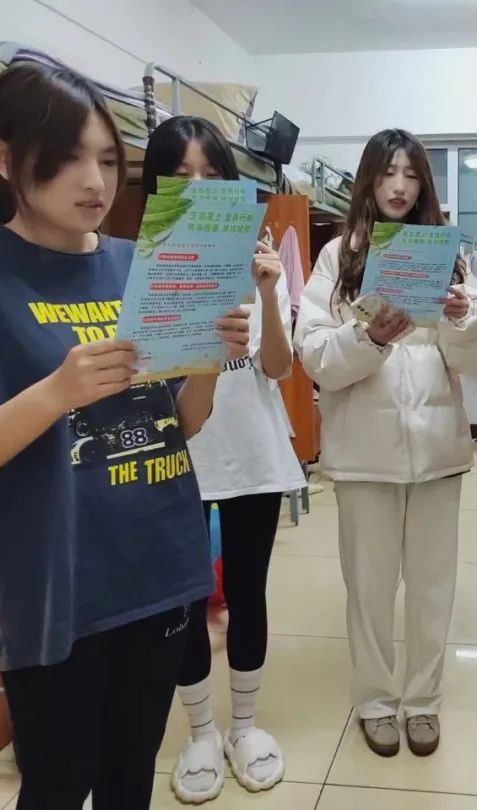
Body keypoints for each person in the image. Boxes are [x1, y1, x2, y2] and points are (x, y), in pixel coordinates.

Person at [0, 64, 257, 810]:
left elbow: (180, 425)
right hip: (49, 587)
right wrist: (56, 392)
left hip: (157, 566)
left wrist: (209, 359)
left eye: (109, 159)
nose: (95, 181)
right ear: (4, 158)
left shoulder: (137, 264)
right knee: (57, 784)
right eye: (67, 158)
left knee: (130, 775)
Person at [294, 128, 477, 758]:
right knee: (370, 589)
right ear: (369, 180)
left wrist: (464, 319)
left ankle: (424, 700)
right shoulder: (337, 258)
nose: (399, 186)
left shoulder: (449, 258)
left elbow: (476, 362)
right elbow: (316, 358)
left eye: (410, 174)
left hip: (437, 452)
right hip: (364, 456)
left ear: (424, 184)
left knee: (433, 589)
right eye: (387, 173)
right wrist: (371, 338)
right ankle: (377, 701)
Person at [141, 117, 303, 802]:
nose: (198, 187)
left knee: (246, 589)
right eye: (180, 175)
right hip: (178, 453)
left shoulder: (257, 260)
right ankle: (201, 732)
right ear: (156, 186)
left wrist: (266, 291)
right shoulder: (143, 265)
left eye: (211, 174)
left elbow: (279, 369)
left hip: (251, 451)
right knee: (184, 597)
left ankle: (244, 726)